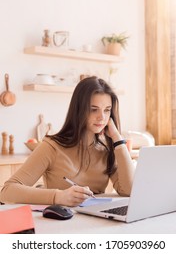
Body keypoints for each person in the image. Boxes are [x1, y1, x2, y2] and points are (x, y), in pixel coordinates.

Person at [0, 76, 135, 207]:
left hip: (96, 223)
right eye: (94, 109)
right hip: (62, 223)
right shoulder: (52, 147)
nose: (102, 117)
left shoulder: (107, 150)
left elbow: (129, 191)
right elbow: (7, 191)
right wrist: (59, 197)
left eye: (107, 110)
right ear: (79, 110)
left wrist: (118, 139)